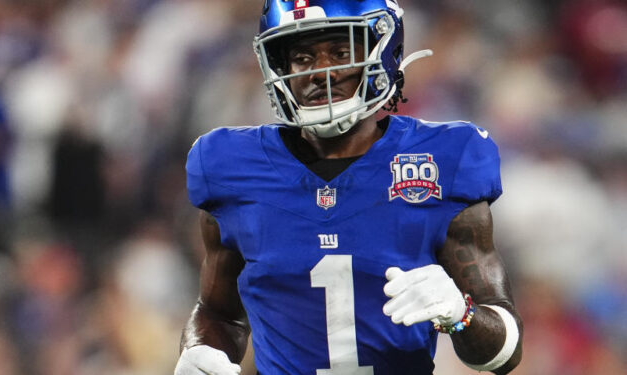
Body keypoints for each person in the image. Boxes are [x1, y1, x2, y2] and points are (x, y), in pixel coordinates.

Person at [175, 1, 523, 374]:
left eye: (341, 52)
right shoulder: (232, 165)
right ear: (279, 68)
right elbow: (218, 312)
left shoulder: (444, 160)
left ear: (381, 54)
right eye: (303, 58)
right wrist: (199, 349)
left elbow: (504, 354)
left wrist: (460, 314)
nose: (322, 72)